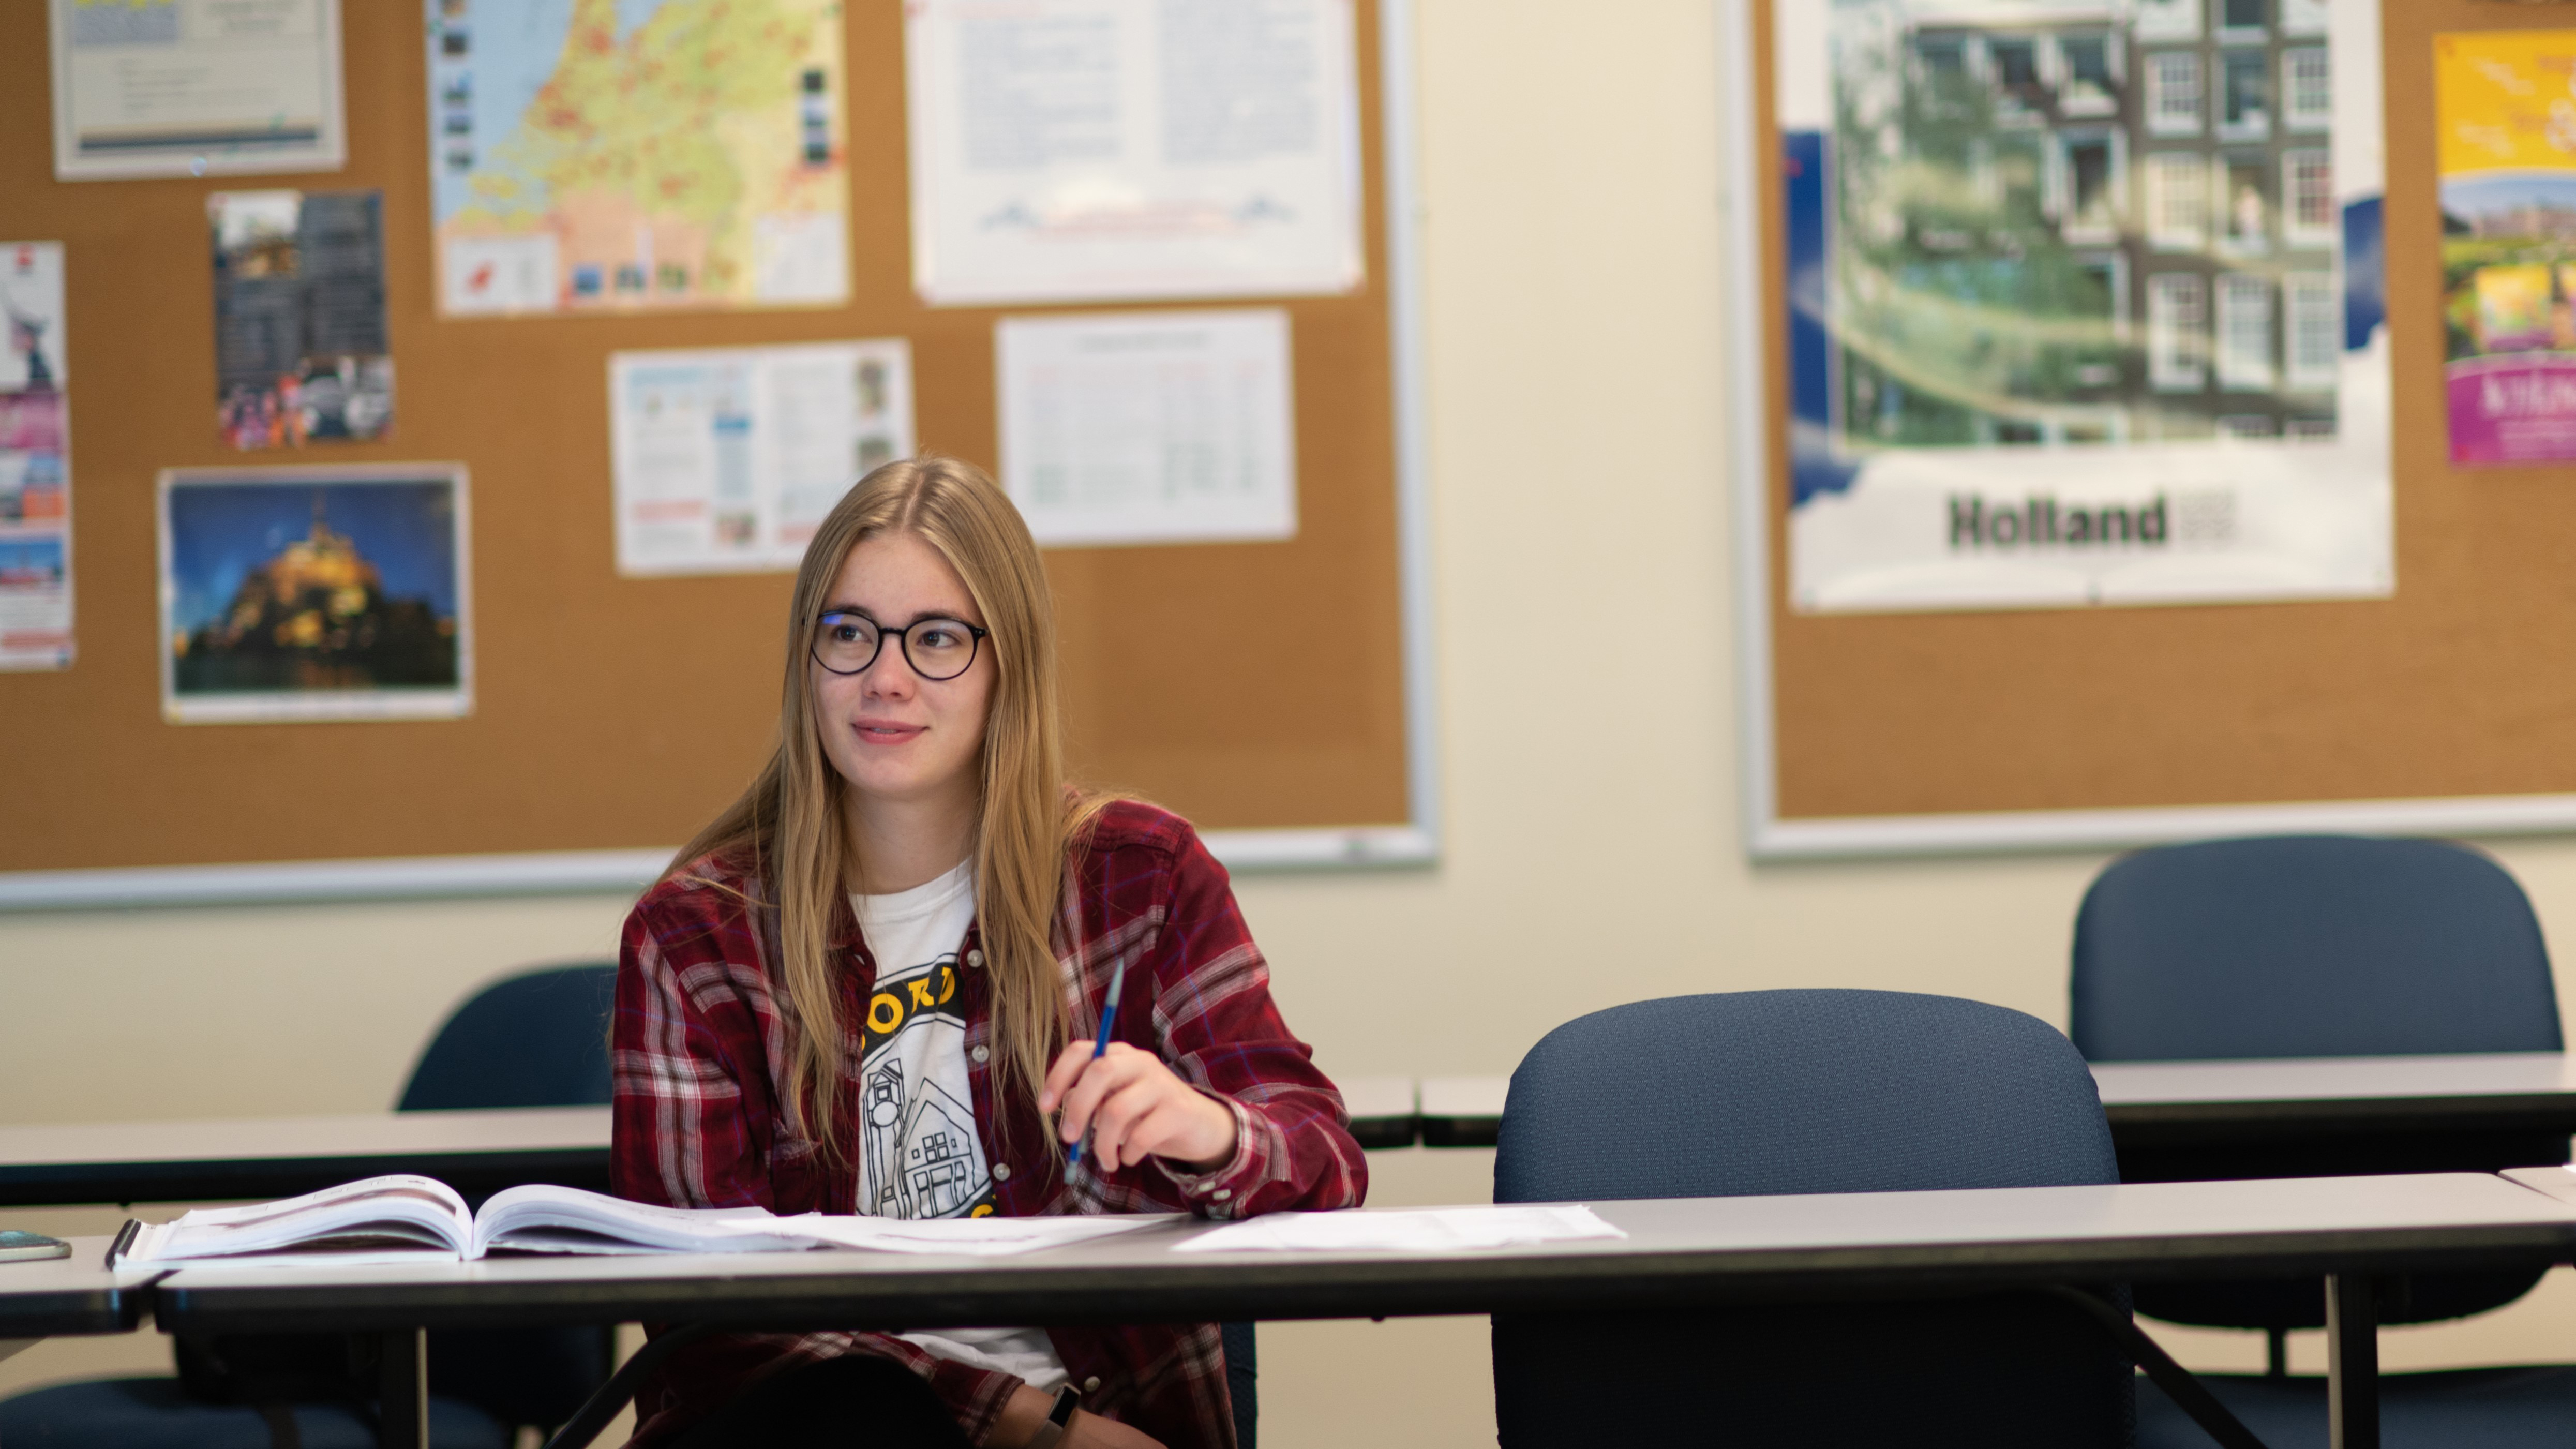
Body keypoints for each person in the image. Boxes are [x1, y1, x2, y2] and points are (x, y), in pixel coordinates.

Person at [610, 454, 1366, 1448]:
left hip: (1115, 1415)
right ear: (806, 660)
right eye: (849, 634)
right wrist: (1029, 1426)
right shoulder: (694, 935)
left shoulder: (1139, 879)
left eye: (936, 639)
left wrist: (1210, 1130)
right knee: (862, 1418)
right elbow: (709, 1316)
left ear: (1007, 661)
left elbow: (1325, 1162)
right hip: (832, 1437)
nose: (886, 677)